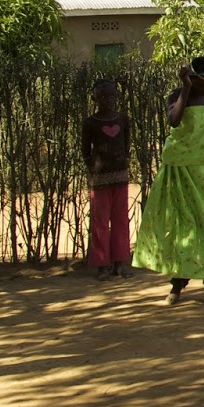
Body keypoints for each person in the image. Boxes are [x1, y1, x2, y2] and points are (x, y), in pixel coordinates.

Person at [133, 58, 204, 305]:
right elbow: (174, 120)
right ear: (191, 79)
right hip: (181, 172)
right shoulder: (179, 94)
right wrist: (185, 88)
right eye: (203, 82)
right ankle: (177, 284)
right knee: (182, 226)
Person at [82, 78, 133, 279]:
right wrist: (94, 169)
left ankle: (120, 263)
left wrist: (122, 162)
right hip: (100, 179)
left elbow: (126, 143)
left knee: (121, 220)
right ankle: (102, 265)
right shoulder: (90, 123)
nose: (108, 100)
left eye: (111, 96)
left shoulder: (122, 120)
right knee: (100, 222)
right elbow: (85, 150)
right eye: (103, 96)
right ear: (95, 98)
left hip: (120, 176)